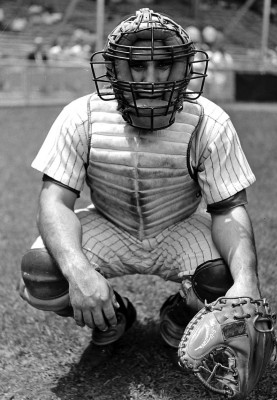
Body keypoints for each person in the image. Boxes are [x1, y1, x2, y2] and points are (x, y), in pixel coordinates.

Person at [19, 8, 261, 367]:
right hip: (109, 223)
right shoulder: (81, 115)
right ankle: (113, 315)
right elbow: (54, 201)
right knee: (42, 273)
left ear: (183, 68)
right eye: (137, 66)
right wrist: (79, 273)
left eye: (163, 65)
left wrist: (247, 282)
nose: (151, 80)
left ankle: (179, 317)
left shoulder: (209, 122)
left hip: (179, 227)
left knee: (225, 276)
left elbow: (228, 210)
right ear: (114, 69)